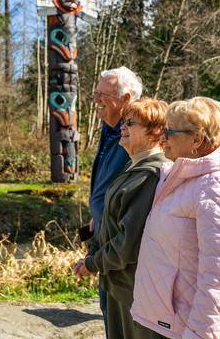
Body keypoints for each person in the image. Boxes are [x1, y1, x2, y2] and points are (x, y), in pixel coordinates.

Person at [131, 97, 220, 339]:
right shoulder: (186, 174)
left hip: (190, 330)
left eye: (169, 131)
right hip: (169, 323)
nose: (162, 137)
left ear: (197, 139)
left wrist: (200, 335)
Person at [75, 98, 170, 339]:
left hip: (135, 291)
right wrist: (93, 253)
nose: (122, 127)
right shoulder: (133, 168)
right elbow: (111, 223)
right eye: (124, 122)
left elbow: (127, 244)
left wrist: (92, 264)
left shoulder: (151, 175)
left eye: (130, 123)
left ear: (156, 131)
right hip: (117, 284)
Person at [85, 66, 143, 332]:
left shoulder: (136, 135)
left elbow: (135, 193)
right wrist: (96, 215)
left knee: (125, 322)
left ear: (127, 99)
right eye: (96, 93)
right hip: (104, 235)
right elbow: (107, 184)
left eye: (103, 95)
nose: (96, 100)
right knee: (109, 314)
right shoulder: (110, 130)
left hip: (122, 251)